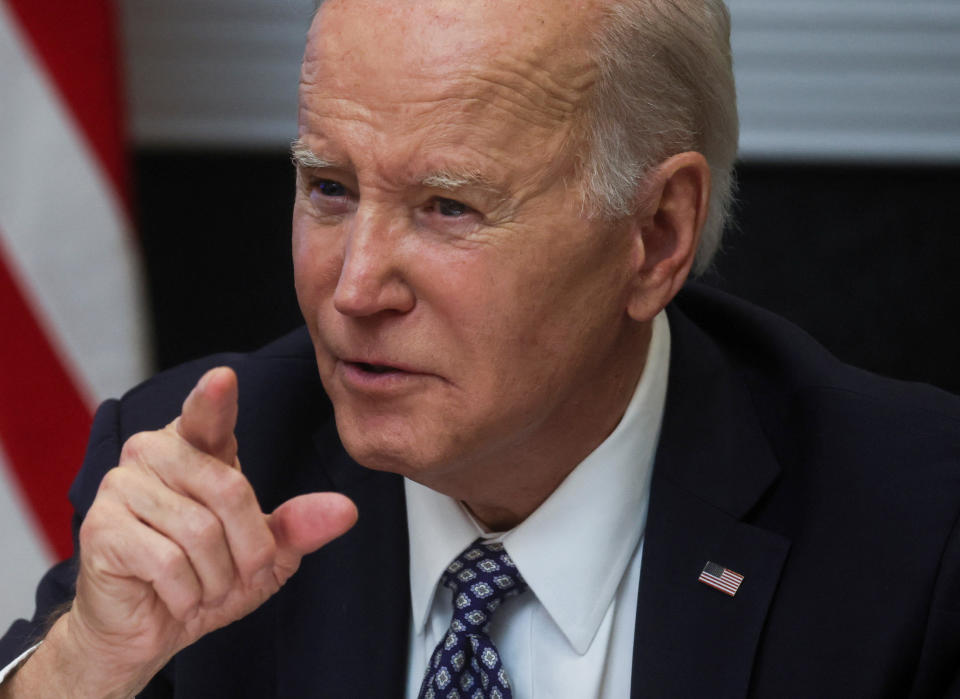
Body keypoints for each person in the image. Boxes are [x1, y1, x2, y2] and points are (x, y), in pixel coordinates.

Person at [2, 0, 959, 696]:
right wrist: (90, 661)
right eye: (328, 188)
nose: (354, 287)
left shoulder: (916, 527)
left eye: (447, 207)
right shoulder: (209, 473)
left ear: (657, 235)